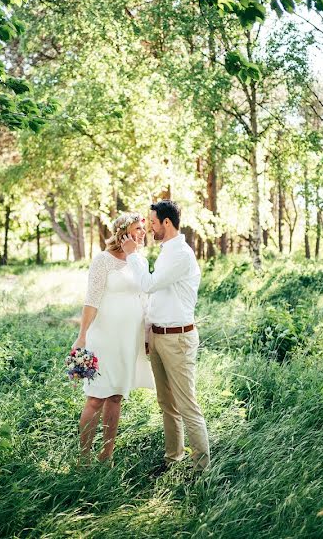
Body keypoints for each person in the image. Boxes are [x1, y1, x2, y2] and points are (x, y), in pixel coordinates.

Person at [122, 199, 210, 471]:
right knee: (167, 404)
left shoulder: (181, 254)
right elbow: (157, 299)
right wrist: (150, 333)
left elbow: (148, 285)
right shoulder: (166, 251)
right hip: (160, 338)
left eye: (152, 221)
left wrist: (132, 253)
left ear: (167, 223)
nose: (148, 226)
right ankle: (173, 459)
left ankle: (201, 470)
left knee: (187, 406)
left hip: (178, 339)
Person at [71, 213, 155, 463]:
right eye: (137, 228)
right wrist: (82, 336)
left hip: (128, 339)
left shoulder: (139, 260)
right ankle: (84, 456)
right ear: (123, 233)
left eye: (143, 228)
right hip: (104, 338)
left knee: (116, 395)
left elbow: (145, 300)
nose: (143, 232)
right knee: (96, 396)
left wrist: (148, 335)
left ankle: (106, 453)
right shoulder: (102, 261)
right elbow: (91, 300)